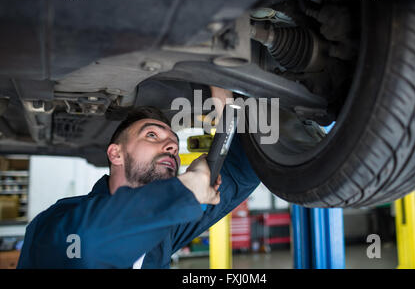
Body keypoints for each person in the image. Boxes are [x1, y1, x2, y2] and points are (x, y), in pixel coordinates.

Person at [17, 86, 261, 268]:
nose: (171, 147)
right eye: (152, 135)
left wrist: (231, 111)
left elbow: (244, 172)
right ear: (116, 153)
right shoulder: (54, 222)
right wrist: (186, 189)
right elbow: (91, 244)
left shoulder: (165, 227)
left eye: (174, 143)